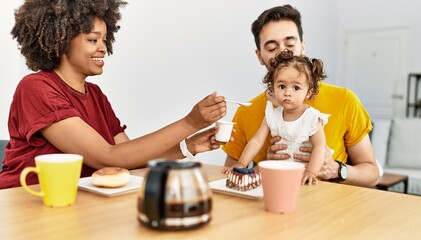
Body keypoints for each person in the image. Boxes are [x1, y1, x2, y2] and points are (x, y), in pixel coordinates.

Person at [0, 0, 228, 189]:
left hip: (75, 204)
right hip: (24, 203)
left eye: (104, 40)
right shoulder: (36, 88)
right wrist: (191, 122)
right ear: (61, 42)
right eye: (92, 39)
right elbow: (108, 157)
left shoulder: (96, 95)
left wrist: (188, 147)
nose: (103, 48)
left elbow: (130, 162)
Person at [222, 5, 379, 187]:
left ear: (303, 47)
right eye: (272, 47)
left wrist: (336, 170)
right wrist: (263, 167)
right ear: (259, 56)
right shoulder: (247, 112)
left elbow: (372, 175)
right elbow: (231, 177)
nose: (283, 52)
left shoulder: (345, 100)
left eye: (290, 44)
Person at [222, 49, 329, 185]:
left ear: (309, 92)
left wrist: (311, 172)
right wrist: (242, 163)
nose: (287, 92)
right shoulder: (272, 115)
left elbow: (319, 147)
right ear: (272, 87)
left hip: (303, 177)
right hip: (278, 174)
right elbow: (256, 141)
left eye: (296, 88)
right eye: (282, 86)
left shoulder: (312, 117)